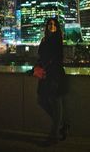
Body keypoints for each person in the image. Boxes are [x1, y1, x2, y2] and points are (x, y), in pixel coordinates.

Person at [34, 17, 69, 145]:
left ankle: (54, 136)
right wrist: (36, 67)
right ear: (46, 26)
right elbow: (40, 56)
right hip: (44, 74)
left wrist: (48, 68)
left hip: (55, 75)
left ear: (57, 27)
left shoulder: (57, 39)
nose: (51, 26)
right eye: (49, 24)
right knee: (41, 100)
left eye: (54, 24)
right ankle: (62, 125)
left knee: (56, 103)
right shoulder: (44, 39)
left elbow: (57, 58)